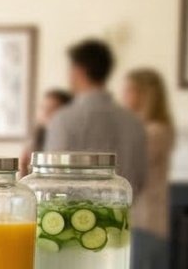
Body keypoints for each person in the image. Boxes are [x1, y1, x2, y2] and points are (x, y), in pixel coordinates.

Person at [43, 39, 148, 198]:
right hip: (121, 217)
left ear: (78, 71)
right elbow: (141, 179)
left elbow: (51, 180)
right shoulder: (134, 122)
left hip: (72, 219)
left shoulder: (63, 119)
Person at [121, 68, 175, 269]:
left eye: (128, 90)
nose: (123, 96)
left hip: (145, 222)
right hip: (139, 222)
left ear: (143, 94)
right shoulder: (144, 131)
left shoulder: (155, 132)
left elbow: (128, 170)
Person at [23, 87, 71, 171]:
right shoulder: (34, 140)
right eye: (43, 108)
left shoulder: (66, 139)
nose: (45, 114)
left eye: (52, 109)